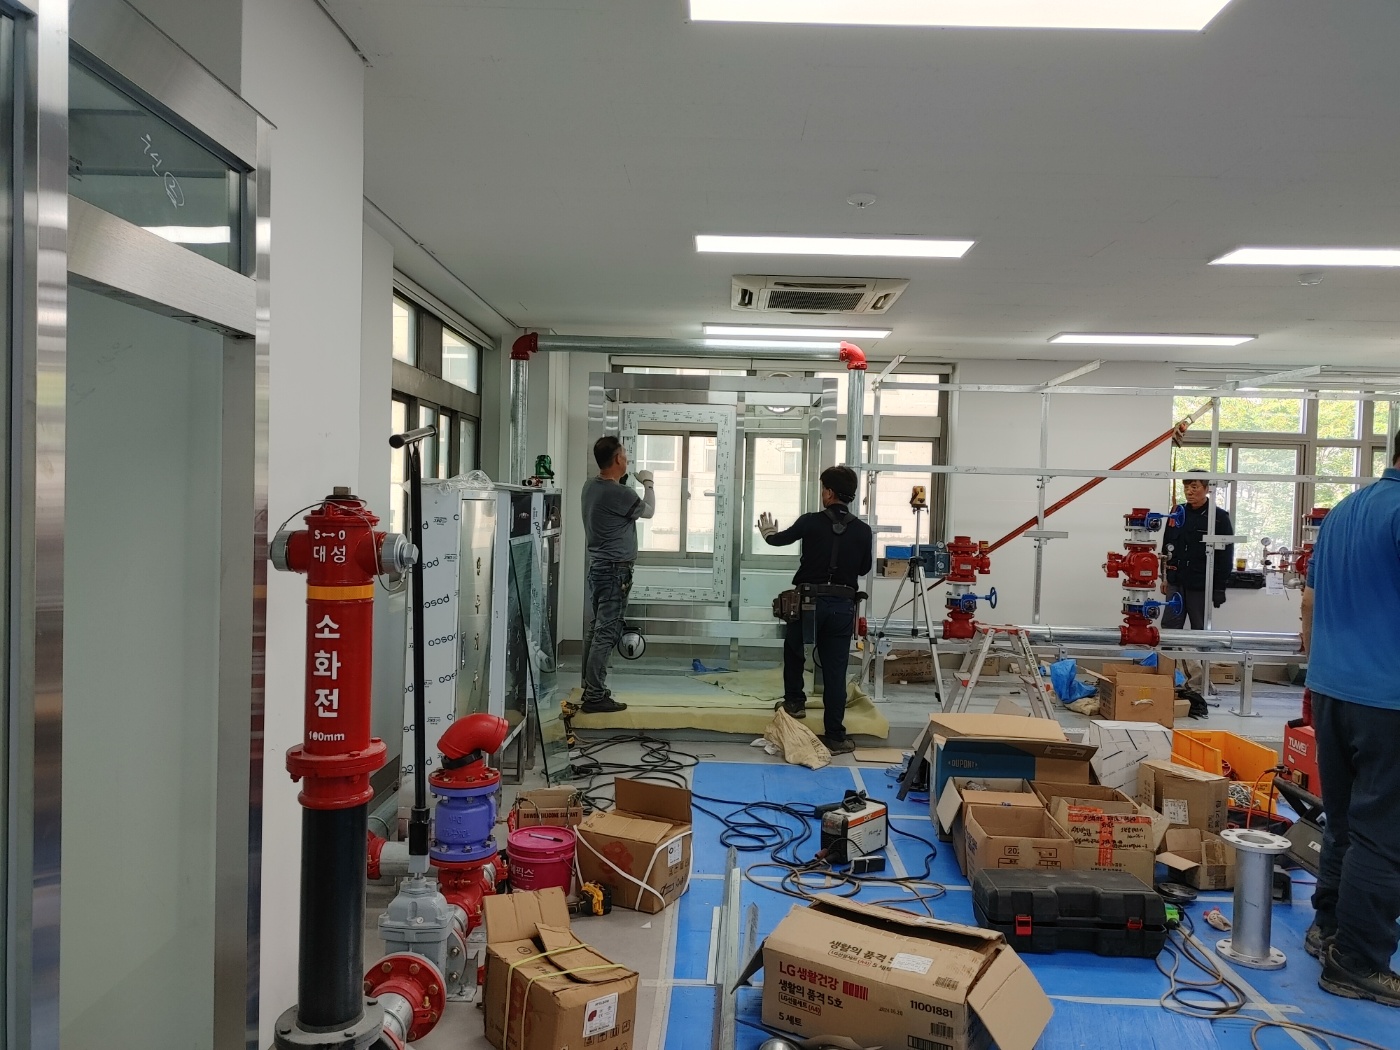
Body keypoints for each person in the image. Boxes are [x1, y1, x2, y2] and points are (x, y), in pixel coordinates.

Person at [1298, 431, 1400, 1006]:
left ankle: (1328, 928)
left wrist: (1316, 668)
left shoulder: (1344, 510)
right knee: (1384, 836)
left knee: (1341, 821)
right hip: (1388, 699)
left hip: (1331, 691)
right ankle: (1357, 962)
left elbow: (1309, 601)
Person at [757, 465, 873, 755]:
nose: (822, 493)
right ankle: (834, 736)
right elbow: (864, 568)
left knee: (795, 650)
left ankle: (795, 703)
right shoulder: (862, 530)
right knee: (836, 668)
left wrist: (768, 534)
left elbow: (779, 539)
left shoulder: (810, 521)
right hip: (842, 606)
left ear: (829, 492)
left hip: (808, 603)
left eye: (823, 489)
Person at [579, 436, 655, 714]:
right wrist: (649, 483)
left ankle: (590, 687)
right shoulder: (619, 493)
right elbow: (649, 511)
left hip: (599, 568)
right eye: (625, 454)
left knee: (596, 630)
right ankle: (595, 695)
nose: (628, 459)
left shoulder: (590, 486)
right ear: (618, 459)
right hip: (615, 572)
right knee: (606, 633)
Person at [1160, 469, 1234, 692]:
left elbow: (1226, 555)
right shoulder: (1177, 513)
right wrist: (1164, 577)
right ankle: (1168, 681)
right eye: (1186, 487)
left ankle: (1199, 684)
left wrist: (1220, 587)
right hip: (1176, 581)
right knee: (1169, 629)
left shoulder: (1219, 517)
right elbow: (1166, 548)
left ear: (1207, 488)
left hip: (1201, 584)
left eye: (1194, 487)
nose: (1189, 492)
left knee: (1199, 633)